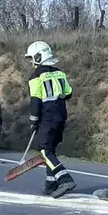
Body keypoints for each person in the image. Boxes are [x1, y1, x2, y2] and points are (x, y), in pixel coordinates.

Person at [25, 41, 76, 199]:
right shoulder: (60, 73)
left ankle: (65, 179)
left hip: (47, 116)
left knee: (44, 150)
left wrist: (33, 120)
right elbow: (69, 93)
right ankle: (51, 184)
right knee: (51, 149)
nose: (31, 62)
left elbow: (36, 100)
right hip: (61, 115)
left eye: (32, 58)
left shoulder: (35, 76)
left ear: (39, 57)